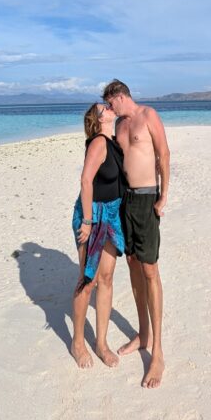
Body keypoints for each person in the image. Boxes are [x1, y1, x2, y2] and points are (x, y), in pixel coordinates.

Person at [103, 79, 170, 389]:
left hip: (146, 198)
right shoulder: (118, 124)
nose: (110, 108)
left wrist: (163, 196)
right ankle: (142, 334)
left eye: (110, 102)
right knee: (132, 264)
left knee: (150, 269)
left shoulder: (148, 115)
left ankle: (157, 352)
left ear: (121, 96)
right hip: (126, 200)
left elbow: (164, 155)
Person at [71, 101, 126, 369]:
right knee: (88, 279)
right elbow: (85, 180)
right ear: (98, 118)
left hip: (112, 216)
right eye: (103, 106)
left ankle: (101, 343)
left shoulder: (113, 141)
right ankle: (78, 342)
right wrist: (88, 222)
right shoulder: (98, 143)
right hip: (92, 216)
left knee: (106, 278)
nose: (108, 106)